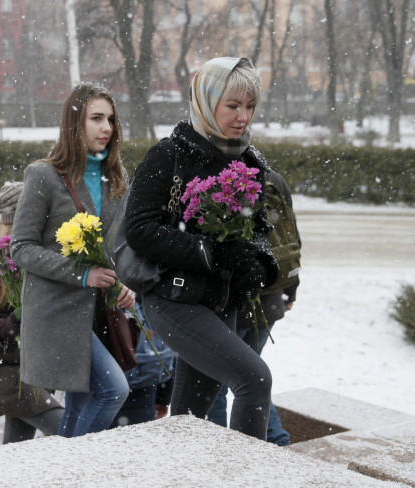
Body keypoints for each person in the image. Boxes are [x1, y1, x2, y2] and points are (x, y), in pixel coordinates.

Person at [125, 57, 279, 440]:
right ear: (207, 102)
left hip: (221, 303)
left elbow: (262, 231)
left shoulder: (251, 161)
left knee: (188, 419)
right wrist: (210, 252)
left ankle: (175, 474)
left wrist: (257, 265)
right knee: (254, 379)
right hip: (173, 299)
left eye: (250, 107)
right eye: (232, 106)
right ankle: (249, 479)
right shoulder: (169, 155)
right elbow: (140, 229)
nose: (243, 117)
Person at [10, 82, 136, 438]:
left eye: (110, 119)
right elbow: (20, 248)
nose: (106, 128)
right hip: (56, 311)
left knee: (82, 401)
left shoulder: (117, 178)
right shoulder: (44, 175)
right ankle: (75, 466)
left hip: (98, 311)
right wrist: (82, 275)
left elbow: (118, 247)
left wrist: (124, 284)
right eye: (96, 118)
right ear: (75, 123)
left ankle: (63, 469)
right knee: (114, 389)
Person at [0, 182, 64, 444]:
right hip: (3, 367)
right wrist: (4, 327)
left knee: (18, 447)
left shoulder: (41, 252)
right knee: (65, 428)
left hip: (35, 365)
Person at [206, 168, 300, 446]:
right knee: (253, 377)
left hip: (232, 304)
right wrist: (290, 288)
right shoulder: (272, 176)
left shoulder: (221, 177)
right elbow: (291, 234)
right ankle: (275, 441)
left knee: (218, 382)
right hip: (268, 298)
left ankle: (216, 450)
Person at [110, 296, 175, 429]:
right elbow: (164, 351)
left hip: (108, 385)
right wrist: (163, 397)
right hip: (144, 384)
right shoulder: (148, 301)